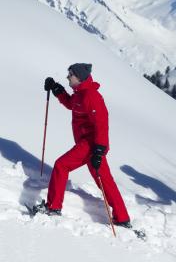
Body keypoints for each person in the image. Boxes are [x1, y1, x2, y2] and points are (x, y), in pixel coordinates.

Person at [34, 63, 131, 227]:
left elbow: (101, 123)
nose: (68, 77)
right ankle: (122, 218)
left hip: (90, 144)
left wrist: (99, 151)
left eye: (70, 75)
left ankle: (53, 207)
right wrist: (57, 89)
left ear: (79, 77)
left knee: (61, 165)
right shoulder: (80, 94)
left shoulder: (91, 96)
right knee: (105, 180)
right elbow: (72, 104)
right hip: (87, 144)